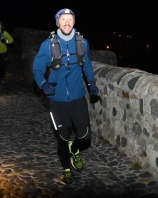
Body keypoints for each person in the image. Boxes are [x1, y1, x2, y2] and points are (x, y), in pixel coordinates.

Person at [33, 8, 99, 185]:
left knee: (84, 135)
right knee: (62, 136)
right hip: (57, 100)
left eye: (70, 19)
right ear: (57, 23)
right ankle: (66, 169)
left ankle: (75, 148)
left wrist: (92, 83)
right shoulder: (47, 45)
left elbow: (87, 64)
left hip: (78, 97)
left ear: (74, 22)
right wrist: (43, 84)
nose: (67, 22)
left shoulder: (82, 42)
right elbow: (37, 69)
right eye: (63, 19)